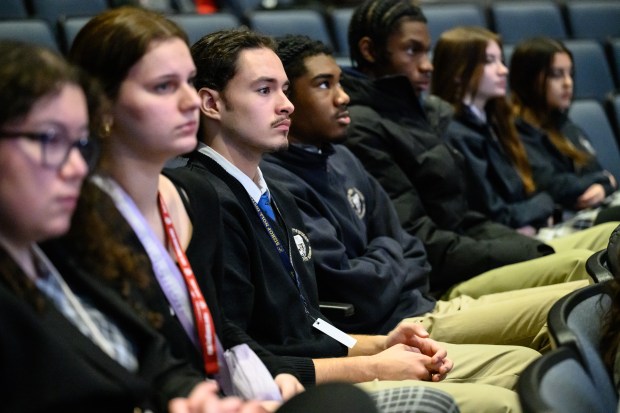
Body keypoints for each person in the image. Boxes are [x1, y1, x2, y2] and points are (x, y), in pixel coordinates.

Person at [45, 7, 442, 413]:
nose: (188, 100)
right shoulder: (80, 220)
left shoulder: (192, 196)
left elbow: (229, 339)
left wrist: (373, 347)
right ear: (100, 101)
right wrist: (369, 363)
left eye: (187, 82)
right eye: (165, 86)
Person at [165, 27, 551, 413]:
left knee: (525, 365)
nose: (287, 105)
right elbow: (239, 359)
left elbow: (309, 319)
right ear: (211, 104)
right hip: (284, 394)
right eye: (265, 90)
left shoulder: (273, 192)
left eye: (284, 89)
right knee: (501, 402)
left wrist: (376, 344)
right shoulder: (204, 200)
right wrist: (373, 365)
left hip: (333, 362)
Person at [0, 38, 260, 413]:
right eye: (50, 139)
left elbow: (151, 358)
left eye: (79, 144)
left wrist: (190, 397)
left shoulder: (49, 250)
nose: (75, 167)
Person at [341, 0, 613, 293]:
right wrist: (524, 250)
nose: (426, 64)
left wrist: (524, 246)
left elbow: (462, 216)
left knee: (611, 238)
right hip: (439, 279)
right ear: (369, 51)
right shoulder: (363, 127)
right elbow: (420, 238)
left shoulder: (422, 114)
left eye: (426, 50)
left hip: (471, 248)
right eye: (412, 50)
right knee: (584, 265)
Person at [510, 37, 618, 218]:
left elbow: (596, 170)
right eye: (556, 74)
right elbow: (553, 186)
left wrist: (603, 187)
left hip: (596, 210)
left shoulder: (563, 124)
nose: (568, 83)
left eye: (570, 73)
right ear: (528, 79)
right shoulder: (514, 132)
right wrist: (606, 181)